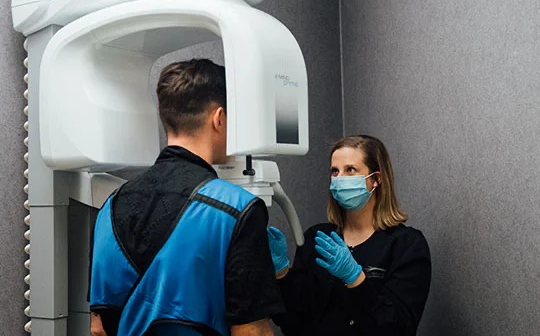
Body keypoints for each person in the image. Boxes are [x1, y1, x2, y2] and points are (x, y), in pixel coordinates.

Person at [88, 59, 284, 336]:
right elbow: (251, 332)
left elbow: (98, 328)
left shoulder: (110, 206)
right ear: (219, 119)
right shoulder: (237, 209)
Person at [267, 135, 431, 336]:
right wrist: (282, 274)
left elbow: (399, 328)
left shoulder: (406, 245)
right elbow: (294, 324)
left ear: (376, 179)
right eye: (335, 171)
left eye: (350, 170)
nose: (339, 179)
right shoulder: (318, 239)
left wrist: (356, 279)